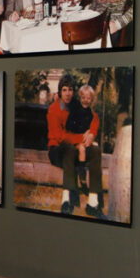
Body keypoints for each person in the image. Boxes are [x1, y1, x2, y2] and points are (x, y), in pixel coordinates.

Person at [47, 74, 103, 218]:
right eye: (64, 90)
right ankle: (66, 200)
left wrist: (91, 134)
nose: (67, 93)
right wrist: (81, 138)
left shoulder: (76, 106)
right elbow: (59, 136)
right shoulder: (53, 109)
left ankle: (93, 202)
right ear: (60, 91)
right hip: (57, 150)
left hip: (78, 148)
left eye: (70, 90)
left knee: (96, 150)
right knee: (70, 148)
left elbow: (93, 116)